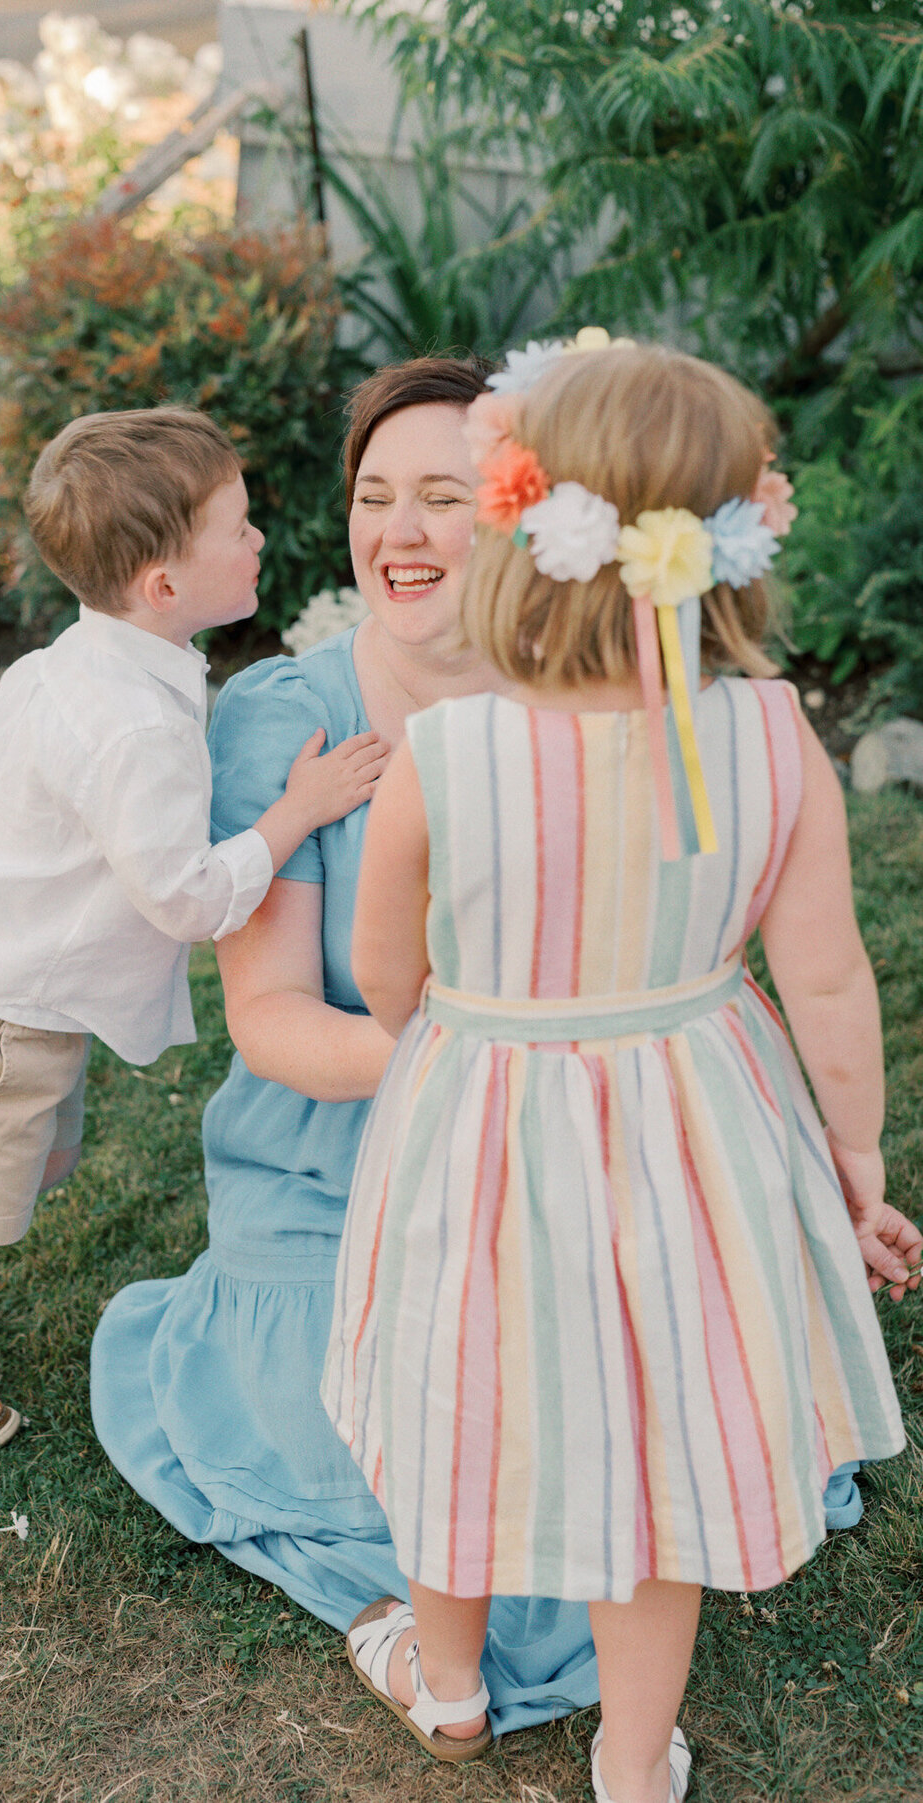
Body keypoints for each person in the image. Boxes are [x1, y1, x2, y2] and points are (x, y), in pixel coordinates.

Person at [322, 340, 919, 1798]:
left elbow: (385, 969)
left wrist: (452, 1022)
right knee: (658, 1442)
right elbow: (829, 979)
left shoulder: (443, 752)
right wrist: (856, 1166)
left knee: (465, 1395)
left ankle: (450, 1682)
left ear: (521, 531)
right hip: (701, 1131)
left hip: (482, 1121)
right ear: (727, 542)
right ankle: (635, 1760)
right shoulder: (777, 736)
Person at [92, 359, 604, 1732]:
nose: (399, 530)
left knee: (598, 1467)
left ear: (519, 517)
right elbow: (270, 1024)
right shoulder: (289, 719)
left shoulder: (584, 700)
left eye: (444, 494)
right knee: (421, 1488)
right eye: (376, 495)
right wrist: (492, 1061)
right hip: (338, 1178)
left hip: (554, 1164)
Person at [0, 407, 386, 1457]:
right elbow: (187, 899)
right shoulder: (134, 725)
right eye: (239, 527)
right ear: (164, 585)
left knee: (22, 1167)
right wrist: (293, 815)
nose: (258, 540)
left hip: (1, 989)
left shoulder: (83, 666)